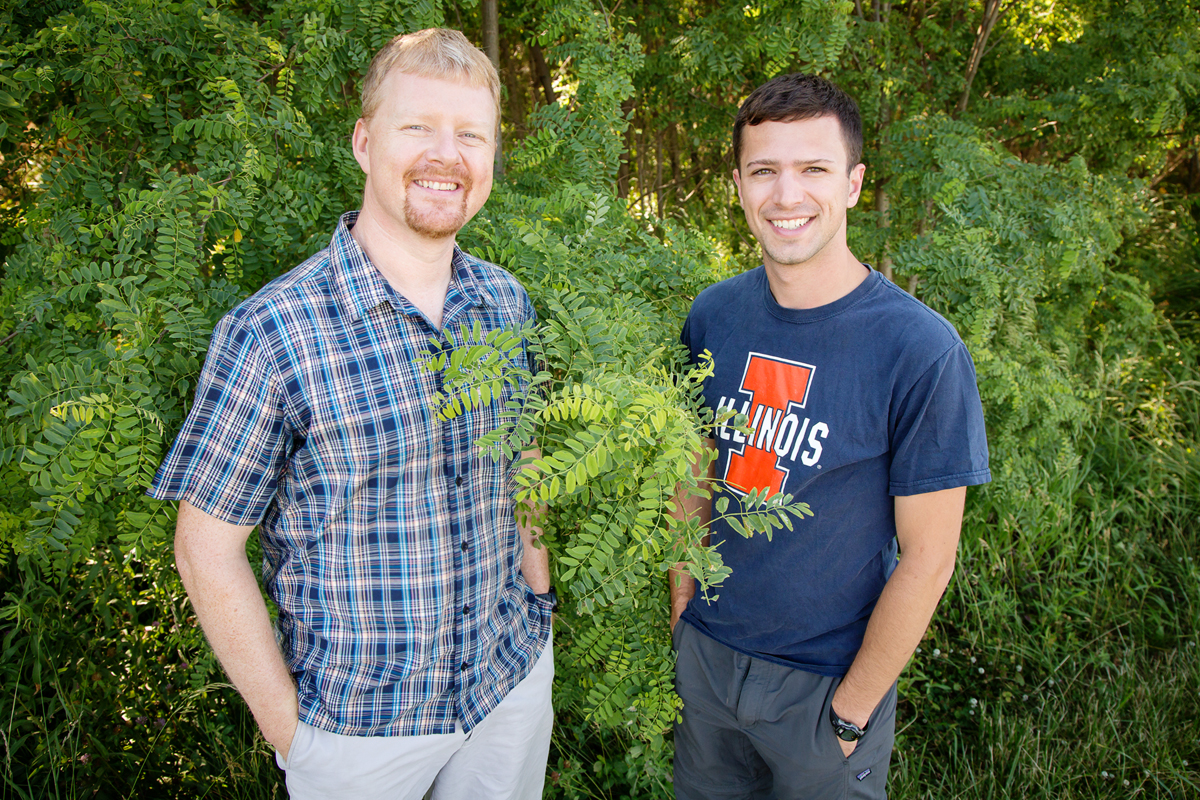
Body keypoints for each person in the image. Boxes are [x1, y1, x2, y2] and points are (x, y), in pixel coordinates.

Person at [149, 28, 555, 800]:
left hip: (510, 687)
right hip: (359, 737)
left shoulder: (505, 302)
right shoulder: (272, 332)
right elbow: (206, 552)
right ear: (366, 142)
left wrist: (539, 597)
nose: (448, 154)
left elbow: (525, 456)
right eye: (418, 128)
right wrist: (292, 738)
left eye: (471, 134)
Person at [669, 73, 991, 800]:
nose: (787, 195)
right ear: (740, 185)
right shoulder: (714, 315)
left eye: (813, 169)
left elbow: (930, 558)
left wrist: (849, 713)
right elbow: (690, 473)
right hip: (709, 663)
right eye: (765, 171)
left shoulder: (920, 349)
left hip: (825, 689)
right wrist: (682, 611)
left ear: (852, 184)